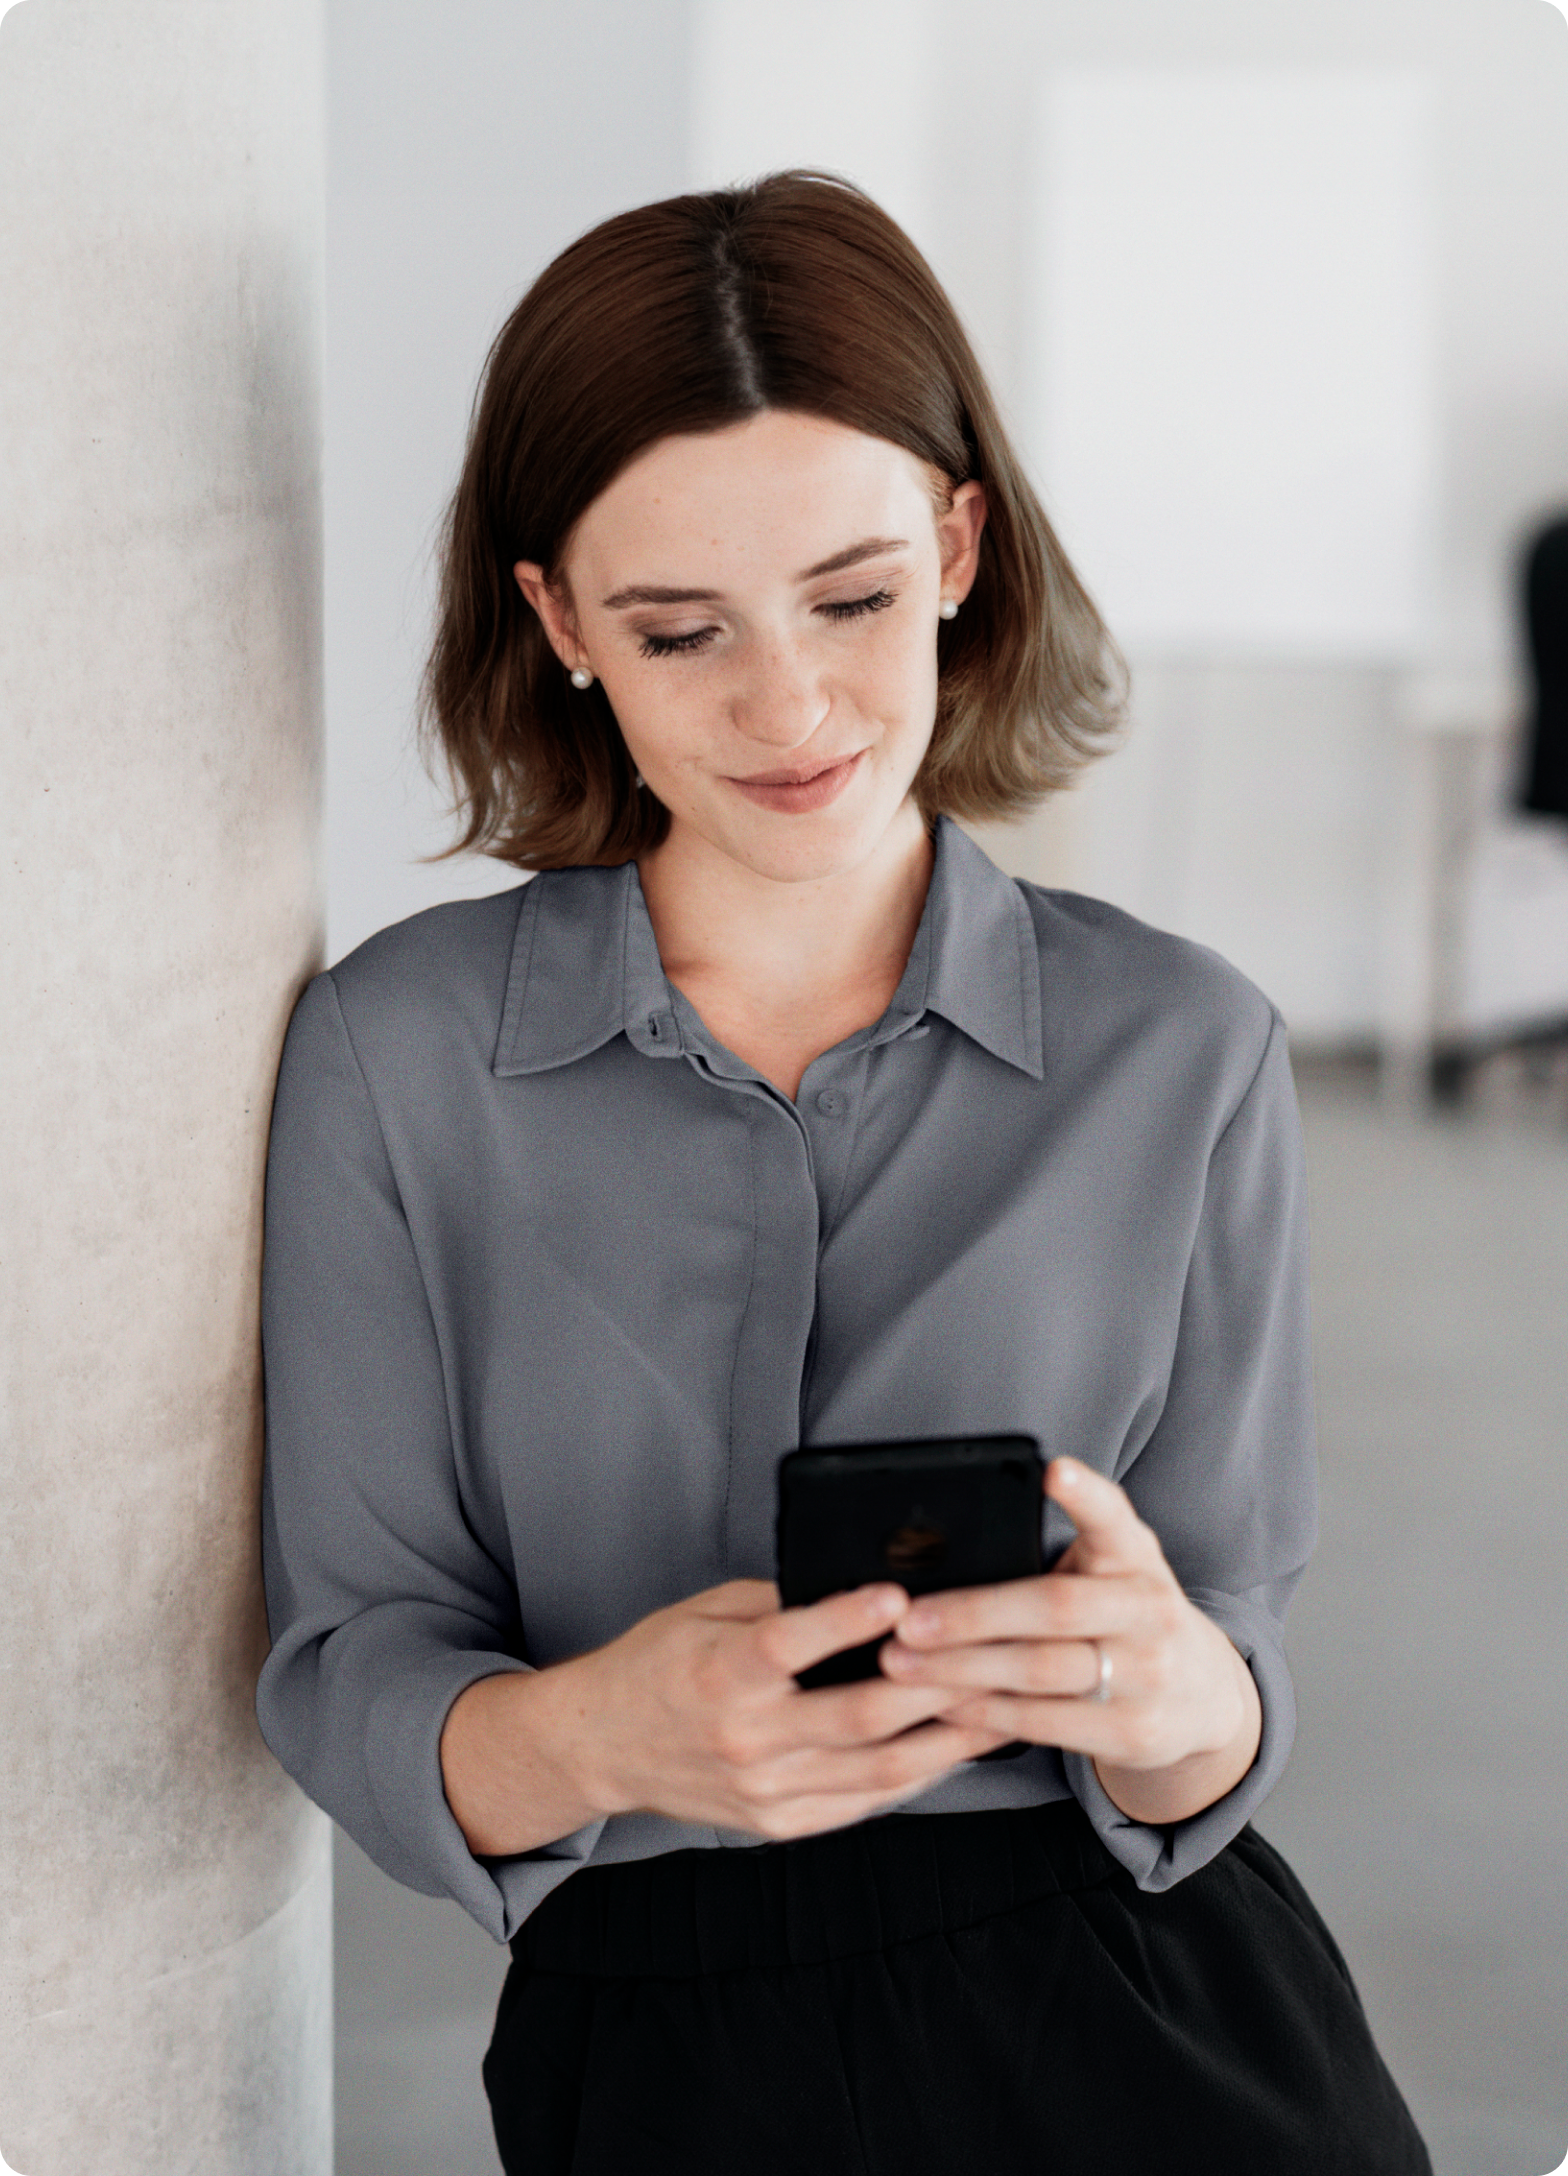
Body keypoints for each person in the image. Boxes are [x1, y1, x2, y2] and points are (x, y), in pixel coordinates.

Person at [255, 170, 1432, 2174]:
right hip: (654, 2040)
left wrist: (1168, 1693)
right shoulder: (397, 1055)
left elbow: (1229, 1664)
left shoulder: (1185, 1046)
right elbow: (349, 1651)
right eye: (678, 626)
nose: (786, 704)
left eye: (855, 594)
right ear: (554, 622)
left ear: (961, 543)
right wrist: (601, 1734)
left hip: (1149, 2014)